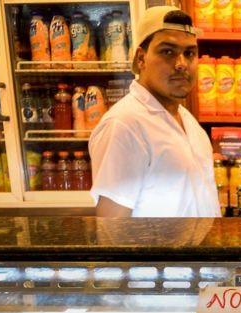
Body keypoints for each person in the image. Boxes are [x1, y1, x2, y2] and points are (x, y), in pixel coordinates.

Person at [89, 6, 220, 217]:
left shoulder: (187, 121)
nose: (181, 64)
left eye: (189, 53)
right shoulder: (125, 125)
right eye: (168, 51)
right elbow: (112, 230)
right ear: (141, 58)